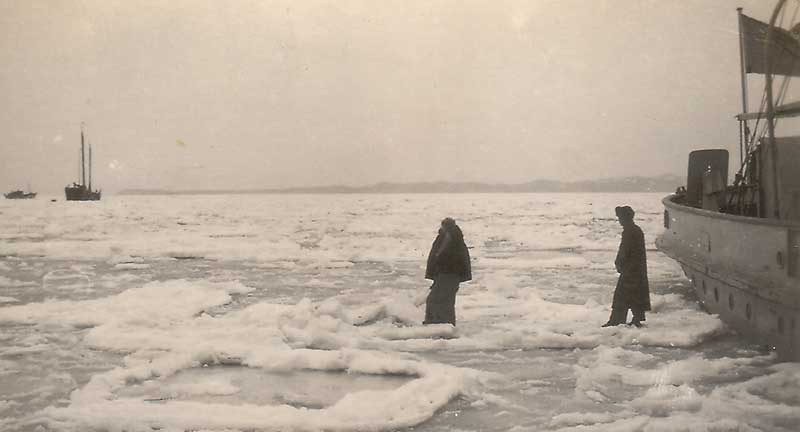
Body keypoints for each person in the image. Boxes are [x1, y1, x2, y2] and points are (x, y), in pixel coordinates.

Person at [603, 206, 651, 327]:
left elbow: (624, 250)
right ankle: (636, 318)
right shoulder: (635, 230)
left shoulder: (630, 231)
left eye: (620, 218)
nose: (619, 220)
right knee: (635, 294)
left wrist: (619, 263)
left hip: (631, 269)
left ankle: (617, 320)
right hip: (636, 269)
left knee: (622, 295)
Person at [423, 217, 471, 326]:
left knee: (437, 300)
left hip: (447, 275)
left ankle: (438, 324)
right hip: (446, 275)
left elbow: (444, 258)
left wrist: (439, 272)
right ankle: (442, 323)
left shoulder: (452, 239)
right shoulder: (451, 238)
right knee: (442, 301)